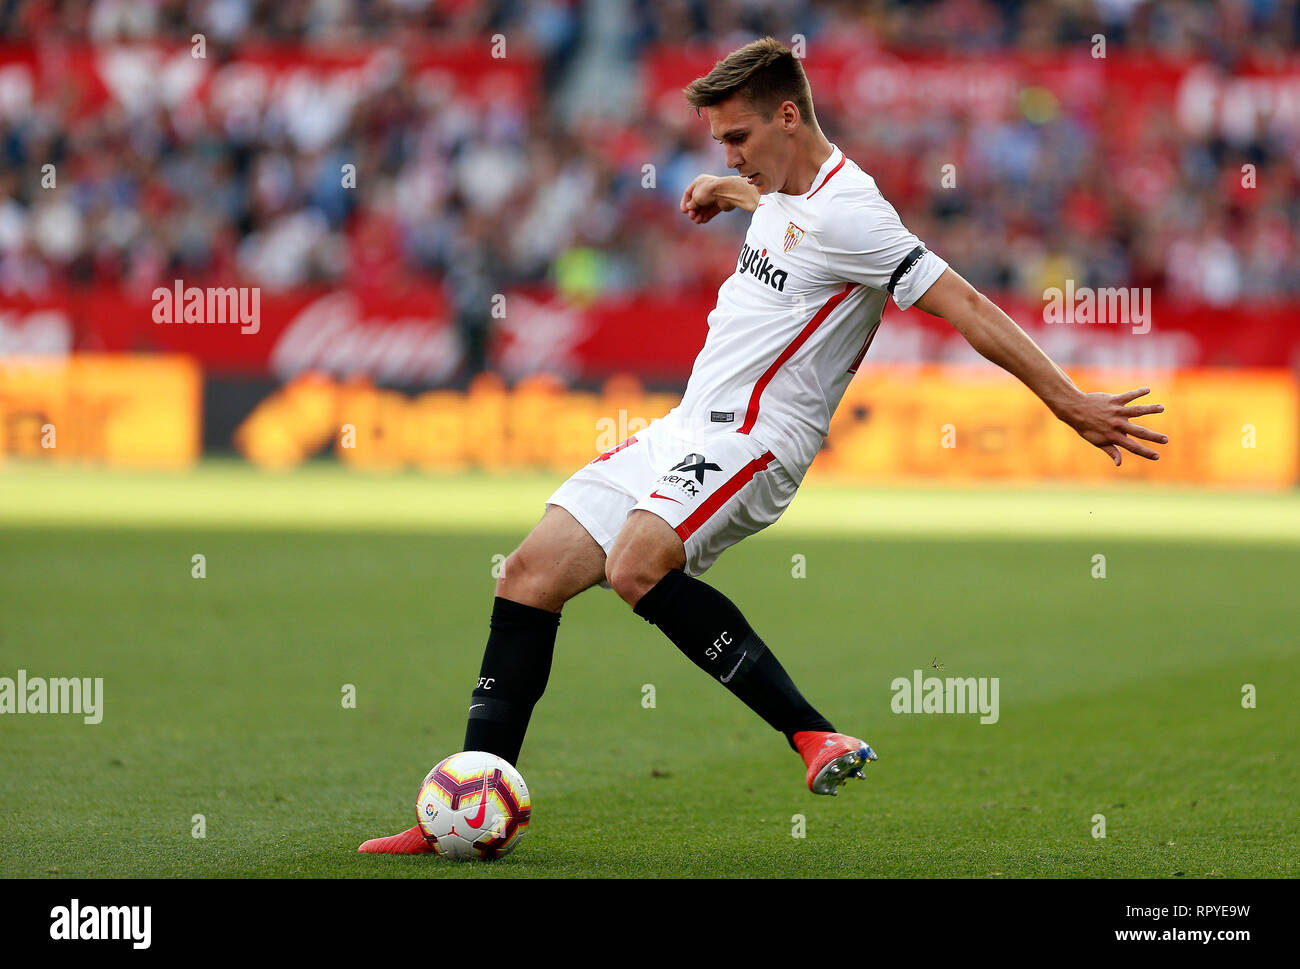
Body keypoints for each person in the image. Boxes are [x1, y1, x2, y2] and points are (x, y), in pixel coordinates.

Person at [360, 37, 1167, 854]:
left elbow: (963, 303)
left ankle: (814, 734)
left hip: (756, 439)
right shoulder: (781, 185)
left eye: (737, 139)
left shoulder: (856, 213)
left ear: (790, 116)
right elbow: (791, 220)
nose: (730, 154)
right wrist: (732, 190)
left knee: (637, 564)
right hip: (683, 428)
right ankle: (466, 806)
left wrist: (1068, 401)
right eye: (720, 144)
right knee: (528, 572)